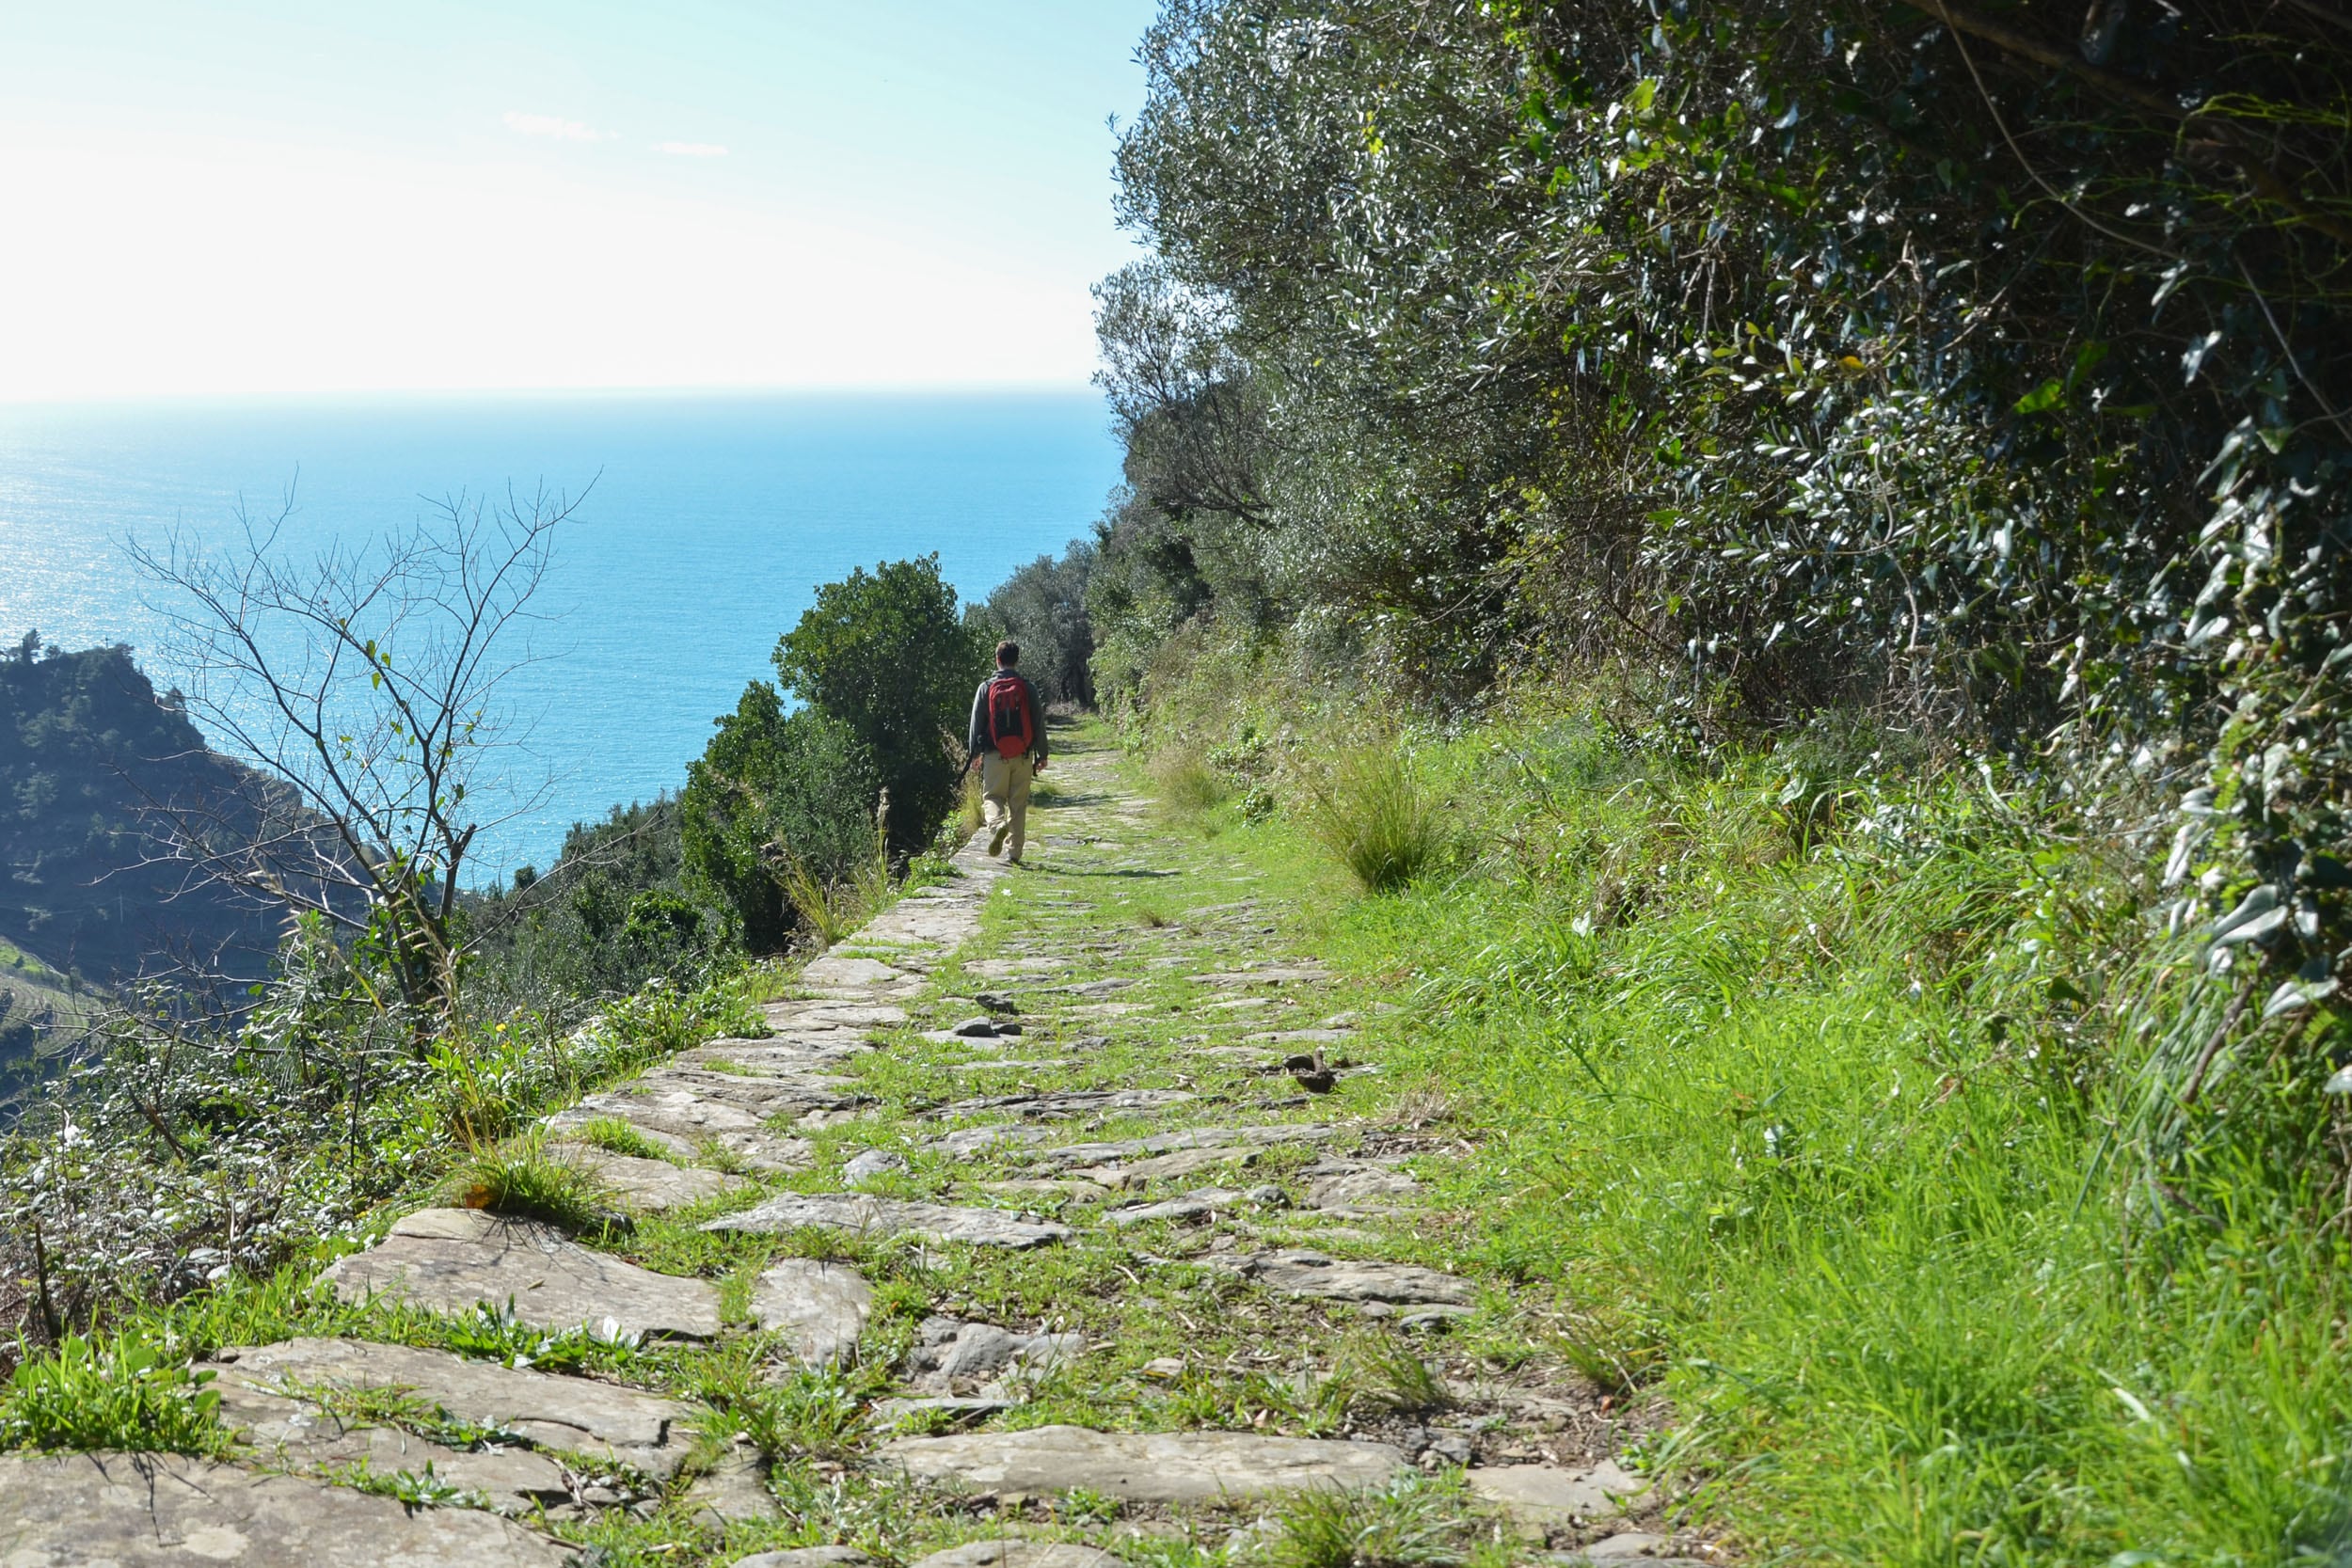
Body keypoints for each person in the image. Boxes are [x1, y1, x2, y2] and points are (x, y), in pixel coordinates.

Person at [966, 639, 1047, 863]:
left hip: (995, 755)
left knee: (992, 797)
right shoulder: (1027, 687)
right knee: (1018, 804)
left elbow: (975, 723)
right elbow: (1038, 722)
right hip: (1022, 755)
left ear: (997, 660)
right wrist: (1043, 754)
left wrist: (974, 753)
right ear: (1017, 660)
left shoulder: (986, 687)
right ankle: (1015, 853)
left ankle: (997, 824)